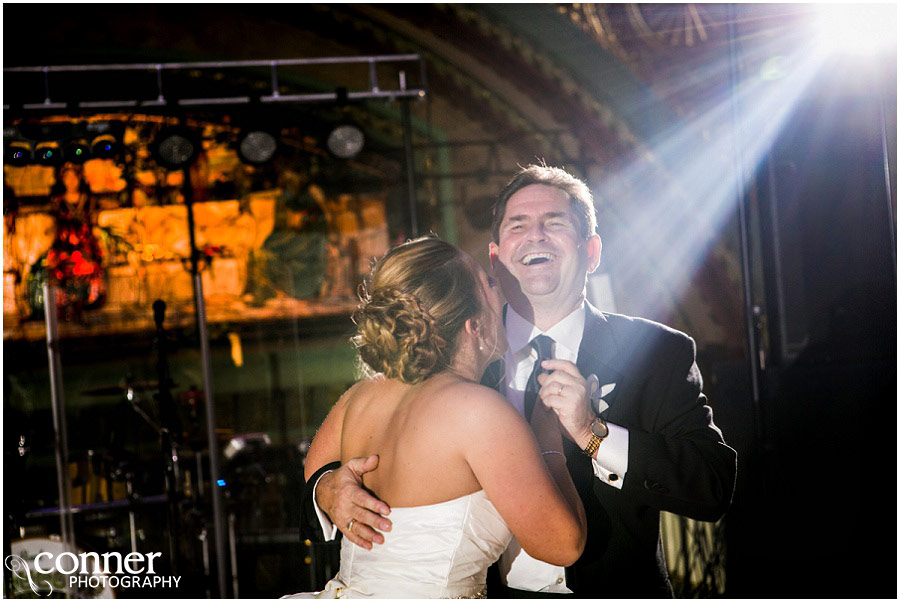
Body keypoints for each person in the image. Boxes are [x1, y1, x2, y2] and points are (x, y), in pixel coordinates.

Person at [303, 165, 737, 597]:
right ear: (495, 257)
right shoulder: (443, 363)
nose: (537, 235)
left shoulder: (657, 351)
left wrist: (594, 434)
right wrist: (326, 491)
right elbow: (328, 475)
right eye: (519, 225)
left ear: (592, 252)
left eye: (555, 223)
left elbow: (712, 487)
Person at [289, 236, 586, 598]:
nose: (503, 292)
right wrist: (548, 443)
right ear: (473, 326)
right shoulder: (480, 412)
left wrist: (327, 489)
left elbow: (315, 479)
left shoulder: (360, 397)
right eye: (489, 284)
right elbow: (562, 546)